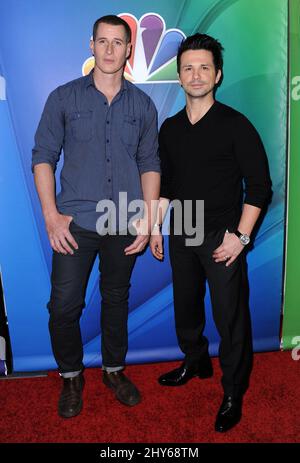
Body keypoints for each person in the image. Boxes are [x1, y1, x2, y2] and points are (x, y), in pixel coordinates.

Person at [32, 15, 160, 418]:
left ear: (128, 50)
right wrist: (51, 217)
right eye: (102, 41)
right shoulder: (63, 98)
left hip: (123, 222)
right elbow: (43, 157)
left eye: (117, 42)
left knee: (116, 300)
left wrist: (149, 218)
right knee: (63, 307)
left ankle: (114, 370)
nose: (109, 50)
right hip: (76, 224)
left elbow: (149, 162)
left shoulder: (142, 105)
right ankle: (71, 375)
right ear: (91, 45)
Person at [150, 33, 272, 432]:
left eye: (204, 67)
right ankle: (195, 360)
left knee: (230, 318)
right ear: (179, 77)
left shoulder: (236, 125)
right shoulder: (169, 128)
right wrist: (155, 227)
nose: (196, 75)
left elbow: (259, 187)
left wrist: (240, 238)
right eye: (188, 68)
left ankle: (234, 389)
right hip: (181, 232)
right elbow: (166, 185)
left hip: (222, 237)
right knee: (186, 309)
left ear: (217, 75)